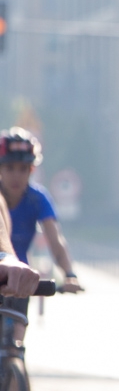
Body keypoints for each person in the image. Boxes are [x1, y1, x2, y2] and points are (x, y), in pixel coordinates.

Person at [0, 129, 82, 346]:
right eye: (9, 168)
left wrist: (69, 274)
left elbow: (56, 241)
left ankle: (14, 370)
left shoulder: (38, 199)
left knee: (15, 345)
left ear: (32, 169)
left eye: (23, 169)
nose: (16, 175)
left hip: (21, 279)